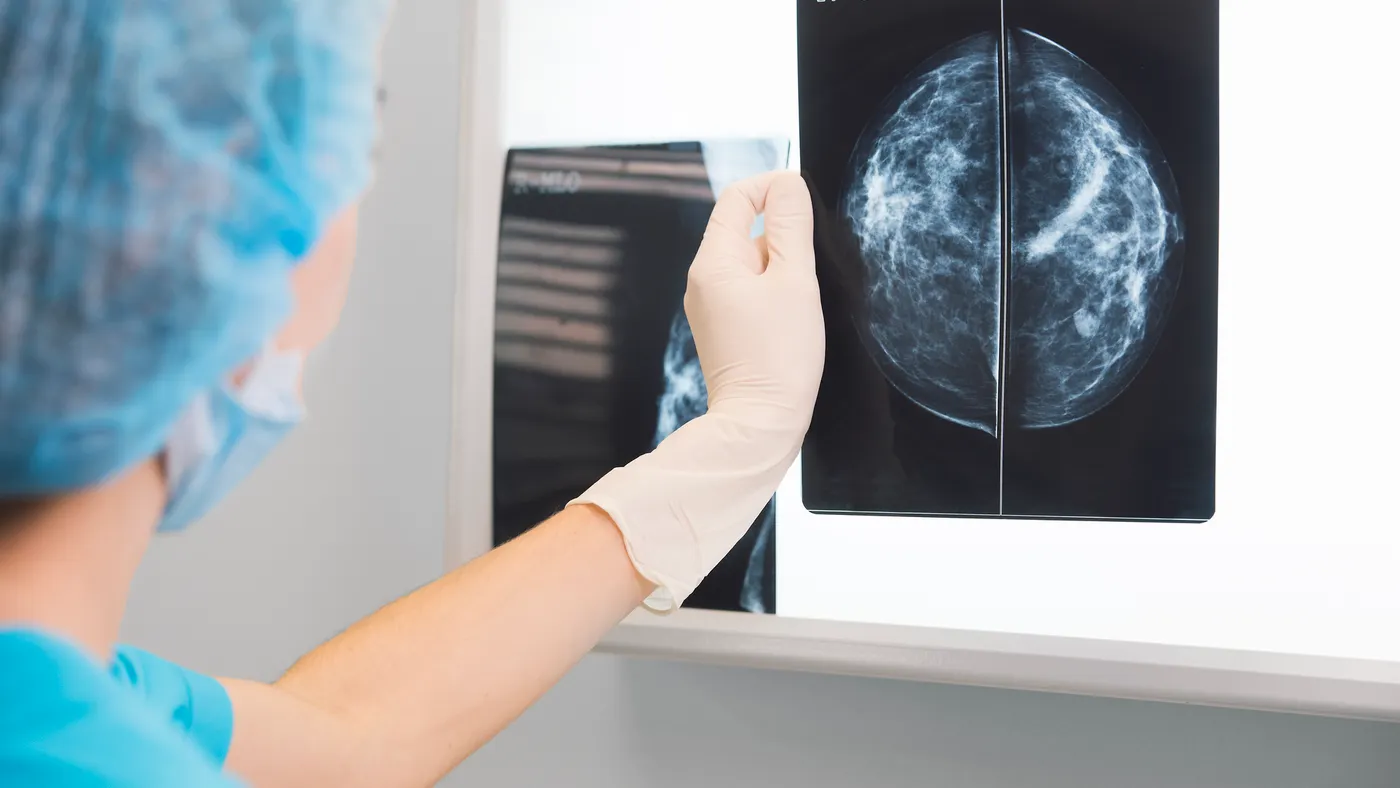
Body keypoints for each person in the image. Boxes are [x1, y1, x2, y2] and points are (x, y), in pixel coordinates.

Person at [0, 3, 825, 786]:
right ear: (213, 224)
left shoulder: (58, 705)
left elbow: (338, 741)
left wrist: (732, 443)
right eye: (352, 148)